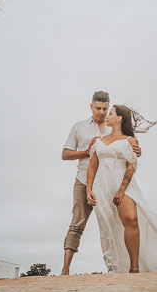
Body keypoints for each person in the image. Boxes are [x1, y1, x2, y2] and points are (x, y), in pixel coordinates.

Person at [86, 104, 157, 273]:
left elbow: (130, 168)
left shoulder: (130, 141)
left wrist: (121, 190)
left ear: (119, 118)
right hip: (102, 187)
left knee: (131, 219)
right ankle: (114, 267)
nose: (106, 115)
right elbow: (92, 167)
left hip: (123, 186)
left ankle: (134, 267)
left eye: (110, 113)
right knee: (109, 227)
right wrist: (89, 190)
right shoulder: (98, 141)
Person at [60, 91, 141, 276]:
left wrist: (137, 150)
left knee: (117, 222)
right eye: (98, 108)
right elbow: (65, 154)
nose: (102, 112)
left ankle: (125, 266)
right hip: (84, 180)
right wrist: (86, 151)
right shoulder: (79, 127)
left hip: (111, 181)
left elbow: (126, 148)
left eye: (106, 108)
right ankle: (65, 268)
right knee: (78, 222)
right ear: (91, 106)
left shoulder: (112, 127)